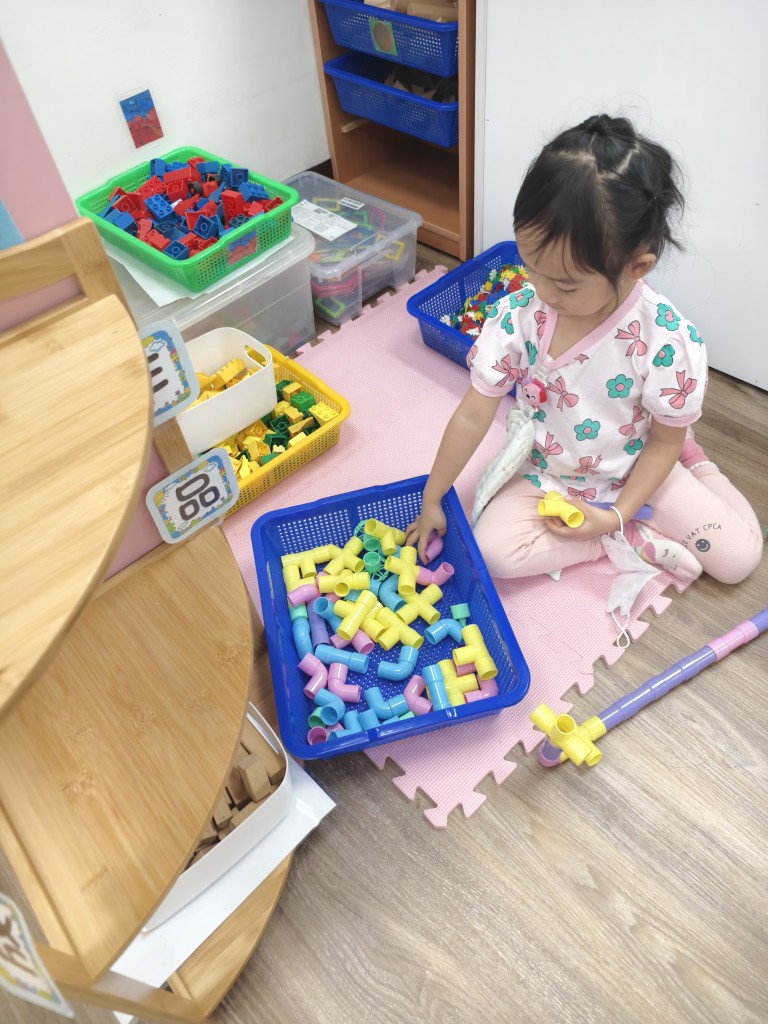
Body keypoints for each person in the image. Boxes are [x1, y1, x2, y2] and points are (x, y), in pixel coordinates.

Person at [406, 114, 763, 584]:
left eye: (567, 285)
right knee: (491, 554)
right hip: (550, 473)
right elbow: (473, 416)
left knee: (737, 562)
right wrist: (433, 496)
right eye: (531, 267)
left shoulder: (665, 340)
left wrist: (618, 511)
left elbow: (662, 444)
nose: (543, 291)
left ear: (636, 267)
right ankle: (627, 539)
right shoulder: (518, 316)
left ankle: (695, 463)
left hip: (639, 465)